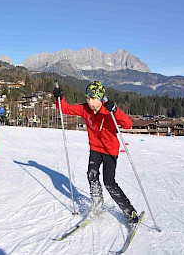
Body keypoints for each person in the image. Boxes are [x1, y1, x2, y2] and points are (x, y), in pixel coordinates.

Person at [53, 81, 139, 225]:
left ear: (100, 98)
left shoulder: (108, 111)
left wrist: (115, 110)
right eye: (88, 98)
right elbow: (65, 109)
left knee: (109, 182)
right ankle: (97, 201)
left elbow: (128, 124)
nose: (89, 101)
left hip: (110, 150)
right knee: (91, 174)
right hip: (95, 148)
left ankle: (129, 211)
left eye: (93, 98)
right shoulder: (84, 109)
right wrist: (59, 99)